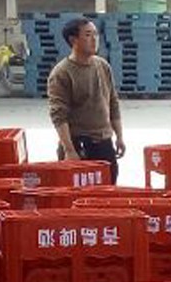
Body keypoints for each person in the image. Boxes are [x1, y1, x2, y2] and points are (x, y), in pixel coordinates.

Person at [46, 17, 126, 183]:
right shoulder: (62, 73)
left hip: (104, 142)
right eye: (88, 35)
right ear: (73, 40)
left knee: (108, 188)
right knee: (79, 193)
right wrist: (69, 150)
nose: (94, 39)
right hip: (79, 144)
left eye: (96, 34)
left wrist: (119, 136)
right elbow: (59, 115)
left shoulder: (103, 66)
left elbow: (113, 102)